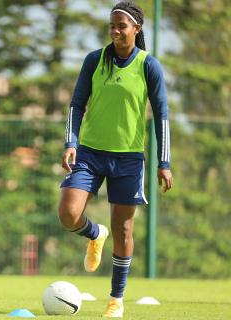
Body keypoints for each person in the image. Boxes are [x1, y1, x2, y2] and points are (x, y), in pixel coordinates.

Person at [58, 1, 173, 318]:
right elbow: (76, 104)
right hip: (90, 154)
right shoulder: (94, 60)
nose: (115, 31)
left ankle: (115, 299)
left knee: (123, 230)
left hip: (128, 159)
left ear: (137, 29)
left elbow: (161, 115)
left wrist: (164, 163)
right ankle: (94, 235)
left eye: (121, 26)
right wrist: (71, 142)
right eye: (112, 26)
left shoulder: (148, 66)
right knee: (68, 214)